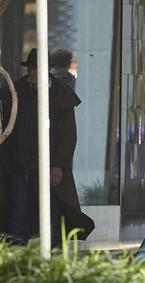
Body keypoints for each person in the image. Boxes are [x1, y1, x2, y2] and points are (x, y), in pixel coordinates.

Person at [0, 48, 94, 244]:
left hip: (49, 169)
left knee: (52, 218)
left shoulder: (60, 94)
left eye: (38, 68)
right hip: (21, 168)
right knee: (18, 217)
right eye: (32, 68)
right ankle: (19, 267)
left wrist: (59, 165)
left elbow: (69, 135)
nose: (34, 73)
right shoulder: (16, 92)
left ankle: (54, 264)